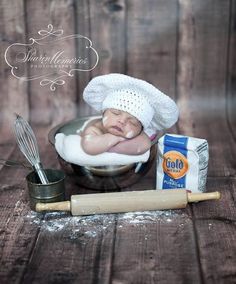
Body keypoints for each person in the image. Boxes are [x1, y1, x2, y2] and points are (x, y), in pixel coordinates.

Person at [80, 73, 179, 156]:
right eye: (116, 113)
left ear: (141, 130)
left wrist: (111, 147)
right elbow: (89, 147)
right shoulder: (95, 128)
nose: (122, 121)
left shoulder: (140, 135)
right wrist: (115, 138)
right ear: (103, 113)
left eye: (133, 122)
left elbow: (144, 145)